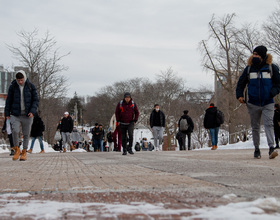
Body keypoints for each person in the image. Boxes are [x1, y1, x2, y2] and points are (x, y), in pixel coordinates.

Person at [236, 45, 280, 159]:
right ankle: (257, 149)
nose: (254, 56)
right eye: (253, 54)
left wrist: (272, 92)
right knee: (255, 126)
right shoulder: (249, 68)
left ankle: (271, 148)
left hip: (268, 102)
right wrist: (239, 95)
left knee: (269, 124)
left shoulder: (272, 68)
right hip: (253, 102)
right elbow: (241, 83)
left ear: (263, 55)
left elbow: (278, 84)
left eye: (257, 54)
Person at [4, 70, 39, 161]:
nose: (20, 82)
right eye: (18, 80)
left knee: (26, 133)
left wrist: (32, 111)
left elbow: (35, 100)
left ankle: (24, 151)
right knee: (15, 131)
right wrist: (7, 113)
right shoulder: (13, 87)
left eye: (21, 80)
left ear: (25, 78)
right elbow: (8, 101)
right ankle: (16, 149)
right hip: (15, 114)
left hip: (27, 115)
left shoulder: (30, 86)